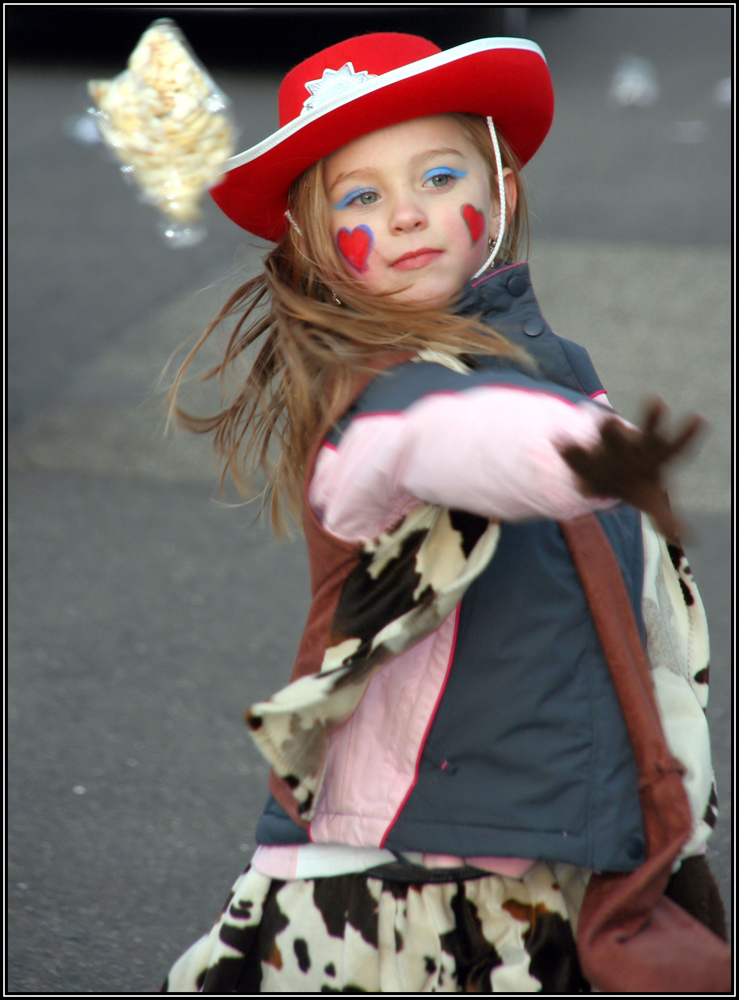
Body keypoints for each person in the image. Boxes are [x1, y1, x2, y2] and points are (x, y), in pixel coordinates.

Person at [160, 32, 724, 993]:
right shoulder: (371, 401)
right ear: (310, 240)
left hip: (554, 829)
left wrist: (671, 787)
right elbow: (463, 444)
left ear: (496, 192)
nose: (410, 213)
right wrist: (578, 457)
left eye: (436, 174)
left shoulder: (556, 365)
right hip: (405, 866)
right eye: (362, 197)